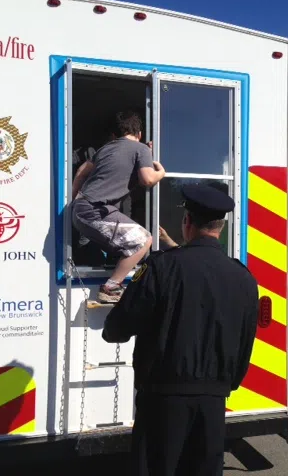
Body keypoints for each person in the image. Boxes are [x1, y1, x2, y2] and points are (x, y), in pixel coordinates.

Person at [101, 183, 259, 476]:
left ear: (187, 223)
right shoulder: (244, 277)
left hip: (162, 399)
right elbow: (246, 340)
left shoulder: (162, 267)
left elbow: (119, 328)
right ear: (220, 228)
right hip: (214, 400)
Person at [70, 111, 166, 303]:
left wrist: (72, 203)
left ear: (116, 134)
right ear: (139, 133)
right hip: (95, 211)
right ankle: (111, 287)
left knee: (125, 243)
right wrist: (161, 172)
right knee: (144, 240)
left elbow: (81, 173)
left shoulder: (105, 148)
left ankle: (114, 278)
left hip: (83, 209)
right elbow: (147, 179)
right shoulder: (140, 149)